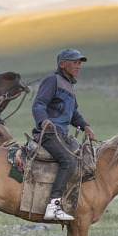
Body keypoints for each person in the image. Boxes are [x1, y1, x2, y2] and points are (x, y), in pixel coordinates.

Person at [32, 48, 95, 221]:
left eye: (79, 63)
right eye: (74, 62)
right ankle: (53, 206)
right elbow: (38, 104)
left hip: (62, 134)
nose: (78, 66)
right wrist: (43, 121)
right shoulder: (53, 80)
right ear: (61, 64)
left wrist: (85, 126)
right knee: (68, 161)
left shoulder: (69, 85)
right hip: (49, 133)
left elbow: (73, 113)